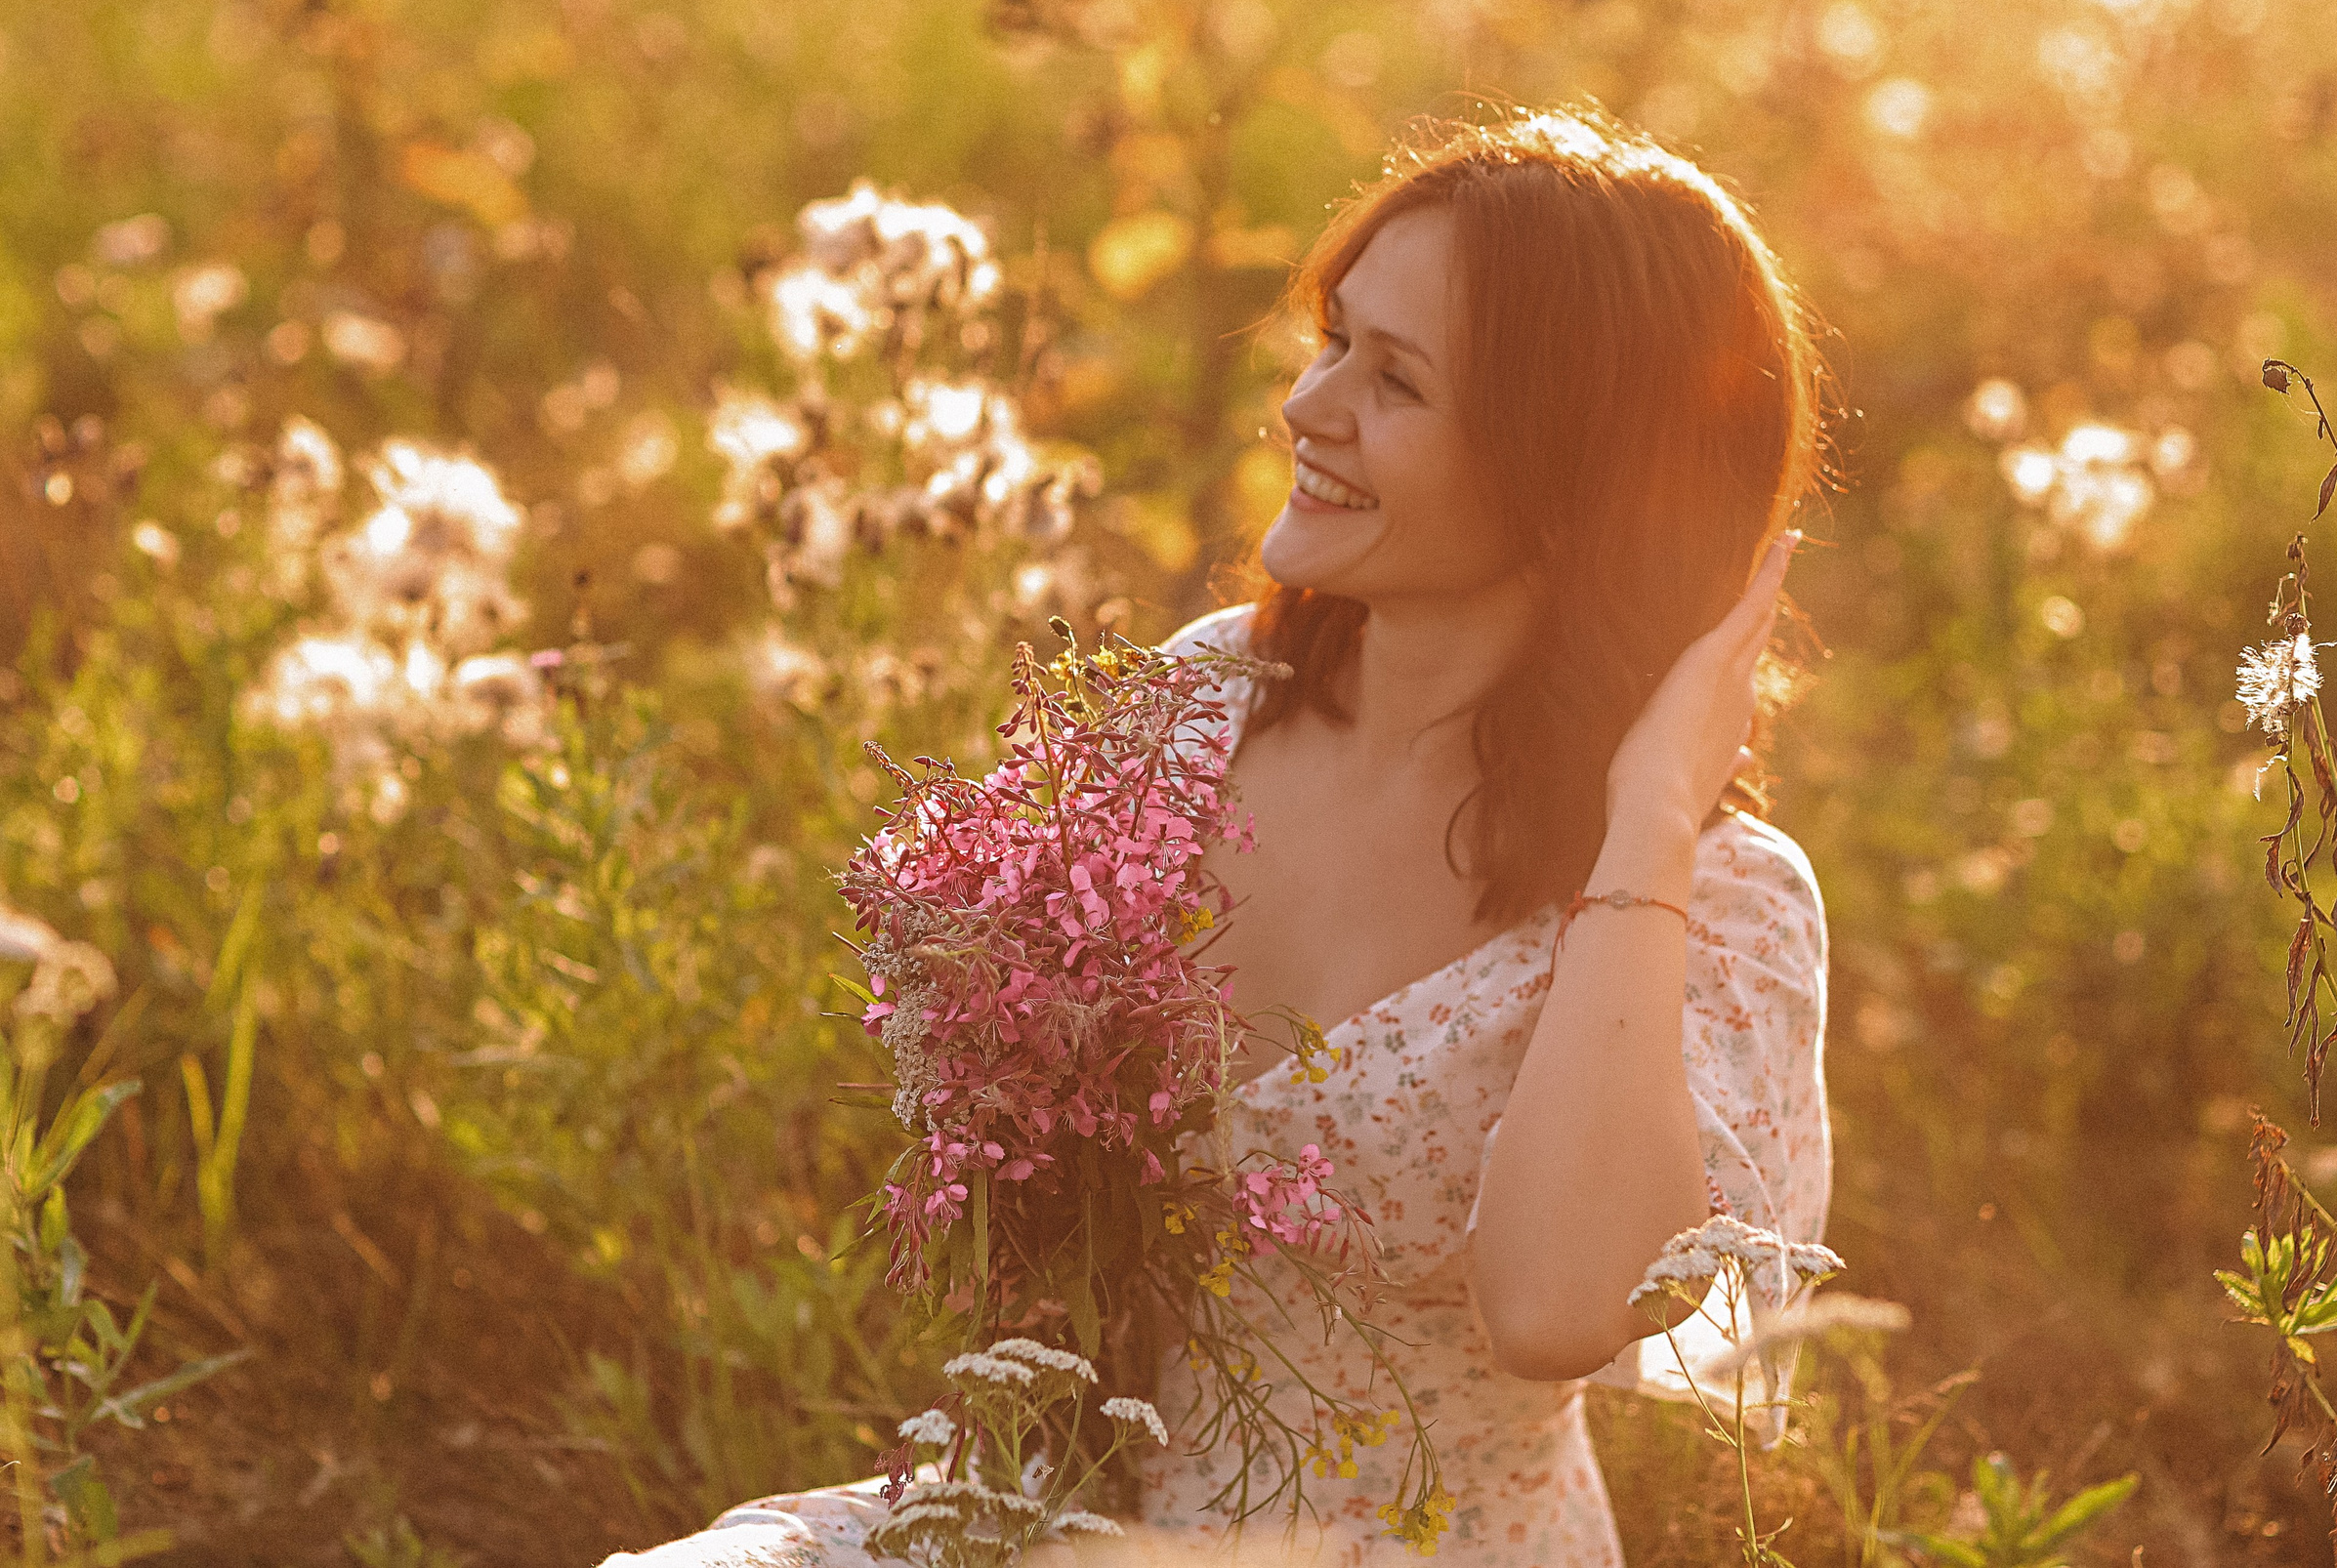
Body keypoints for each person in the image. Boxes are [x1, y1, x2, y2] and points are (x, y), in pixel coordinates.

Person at [605, 105, 1831, 1568]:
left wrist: (1645, 823)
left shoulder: (1720, 902)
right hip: (1069, 1515)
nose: (1311, 408)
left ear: (1570, 485)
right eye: (1333, 343)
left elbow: (1559, 1307)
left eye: (1397, 382)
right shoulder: (1195, 710)